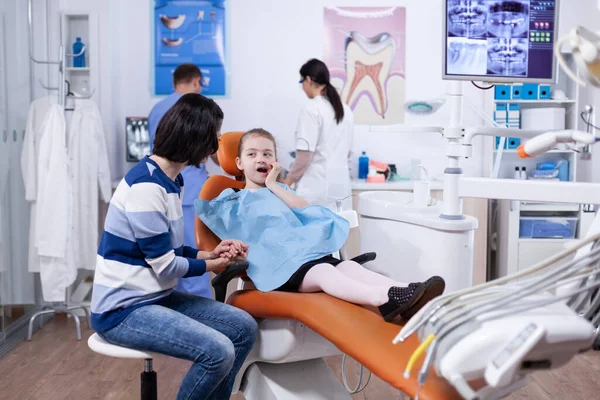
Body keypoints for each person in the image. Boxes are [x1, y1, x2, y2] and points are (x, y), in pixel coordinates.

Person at [91, 94, 257, 400]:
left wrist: (210, 253)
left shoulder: (170, 180)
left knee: (243, 327)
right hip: (122, 310)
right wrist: (213, 265)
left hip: (155, 297)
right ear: (197, 137)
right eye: (215, 136)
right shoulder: (147, 188)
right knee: (218, 351)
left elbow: (170, 249)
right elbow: (165, 265)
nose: (217, 143)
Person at [195, 129, 446, 322]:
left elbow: (308, 211)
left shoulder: (280, 190)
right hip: (279, 268)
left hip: (308, 256)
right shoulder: (231, 198)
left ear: (275, 161)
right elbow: (219, 222)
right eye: (252, 154)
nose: (260, 158)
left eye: (267, 154)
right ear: (239, 163)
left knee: (347, 266)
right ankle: (384, 300)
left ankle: (413, 294)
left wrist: (273, 185)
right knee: (325, 274)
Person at [148, 63, 217, 298]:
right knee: (191, 257)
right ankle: (203, 315)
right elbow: (212, 151)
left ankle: (175, 306)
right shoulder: (199, 112)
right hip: (189, 193)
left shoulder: (157, 109)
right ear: (197, 81)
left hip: (162, 190)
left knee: (171, 255)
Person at [283, 58, 354, 211]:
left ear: (308, 80)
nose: (302, 87)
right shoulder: (346, 110)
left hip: (316, 188)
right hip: (341, 186)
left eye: (301, 82)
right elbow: (347, 152)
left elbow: (304, 157)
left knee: (313, 233)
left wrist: (286, 182)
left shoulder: (311, 108)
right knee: (338, 232)